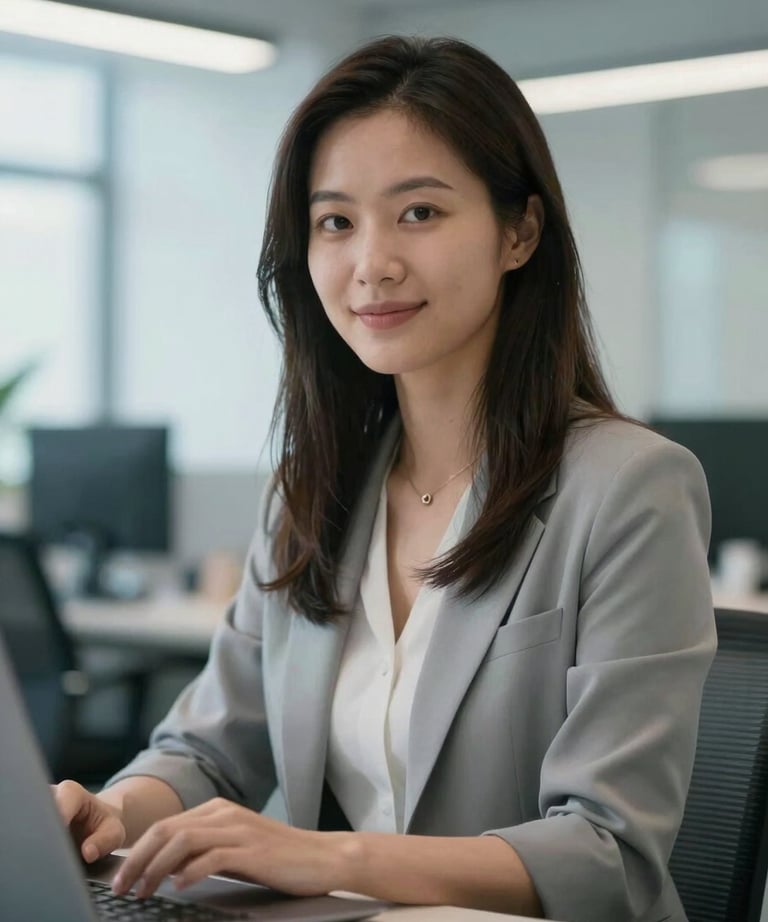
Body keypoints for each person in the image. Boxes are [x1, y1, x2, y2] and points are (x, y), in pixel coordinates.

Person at [53, 35, 716, 922]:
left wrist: (327, 857)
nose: (371, 263)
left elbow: (609, 851)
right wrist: (112, 815)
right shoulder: (312, 490)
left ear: (519, 232)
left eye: (419, 214)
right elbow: (208, 751)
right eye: (336, 222)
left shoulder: (630, 488)